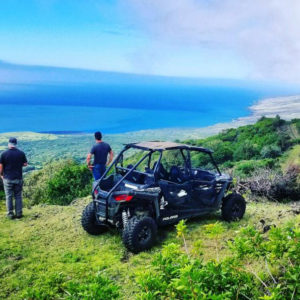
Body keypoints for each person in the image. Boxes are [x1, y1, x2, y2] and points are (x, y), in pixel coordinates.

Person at [0, 137, 28, 219]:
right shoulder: (21, 153)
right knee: (18, 196)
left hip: (7, 178)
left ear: (9, 144)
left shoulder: (3, 154)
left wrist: (1, 175)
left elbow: (1, 166)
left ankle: (10, 214)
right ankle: (19, 214)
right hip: (18, 178)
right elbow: (25, 164)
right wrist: (19, 165)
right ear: (16, 144)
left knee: (8, 196)